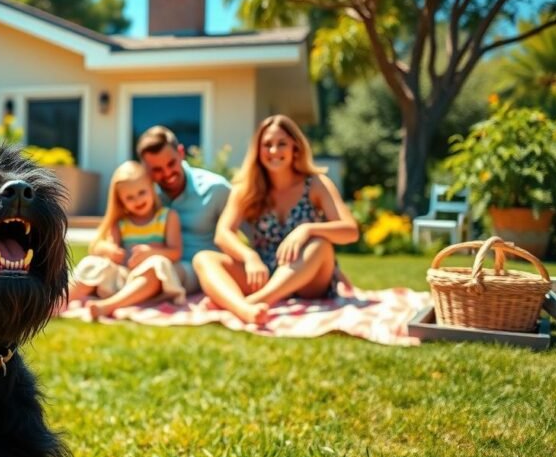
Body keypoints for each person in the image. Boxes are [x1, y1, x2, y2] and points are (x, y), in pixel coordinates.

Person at [193, 114, 359, 324]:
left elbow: (350, 231)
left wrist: (307, 229)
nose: (274, 151)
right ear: (257, 149)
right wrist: (249, 257)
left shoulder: (316, 184)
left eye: (282, 144)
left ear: (295, 148)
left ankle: (252, 302)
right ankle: (244, 311)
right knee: (204, 258)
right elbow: (223, 234)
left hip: (309, 280)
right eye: (267, 144)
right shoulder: (246, 189)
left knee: (320, 244)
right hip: (264, 272)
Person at [69, 161, 186, 318]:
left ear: (151, 188)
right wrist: (109, 250)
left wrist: (152, 253)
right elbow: (98, 248)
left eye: (142, 192)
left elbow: (176, 252)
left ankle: (108, 307)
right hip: (124, 280)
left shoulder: (167, 217)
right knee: (94, 263)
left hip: (150, 283)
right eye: (129, 197)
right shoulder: (120, 222)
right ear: (120, 200)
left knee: (158, 264)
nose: (137, 200)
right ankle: (58, 301)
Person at [135, 126, 230, 296]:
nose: (167, 173)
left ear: (181, 153)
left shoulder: (217, 189)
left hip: (201, 272)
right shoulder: (145, 196)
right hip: (156, 265)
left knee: (158, 271)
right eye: (157, 169)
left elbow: (251, 233)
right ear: (146, 169)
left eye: (171, 163)